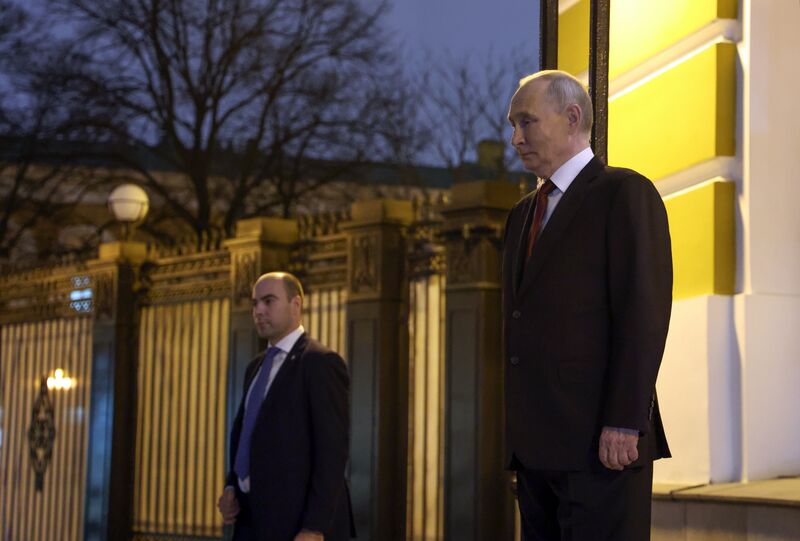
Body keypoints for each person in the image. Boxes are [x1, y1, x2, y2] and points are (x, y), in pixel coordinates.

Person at [502, 70, 672, 540]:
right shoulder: (522, 215)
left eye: (527, 122)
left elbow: (644, 313)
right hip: (536, 451)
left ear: (572, 116)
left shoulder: (623, 193)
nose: (516, 138)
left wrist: (625, 420)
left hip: (602, 448)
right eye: (513, 125)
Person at [217, 272, 355, 541]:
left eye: (269, 301)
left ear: (296, 304)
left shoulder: (320, 362)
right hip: (250, 520)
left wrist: (314, 526)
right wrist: (232, 485)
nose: (258, 310)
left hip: (296, 525)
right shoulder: (254, 367)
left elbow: (332, 453)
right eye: (255, 303)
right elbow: (248, 437)